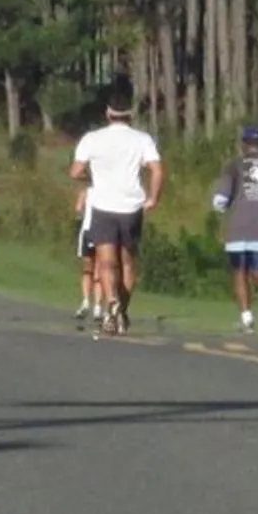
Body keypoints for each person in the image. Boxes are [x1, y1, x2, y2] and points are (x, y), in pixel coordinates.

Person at [70, 88, 164, 337]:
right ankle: (121, 310)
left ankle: (111, 301)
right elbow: (157, 170)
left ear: (108, 113)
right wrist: (153, 197)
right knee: (128, 261)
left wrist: (93, 176)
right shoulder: (142, 139)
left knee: (106, 261)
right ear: (130, 114)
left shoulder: (92, 138)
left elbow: (75, 171)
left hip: (103, 205)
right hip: (131, 205)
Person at [212, 125, 258, 332]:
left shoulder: (234, 166)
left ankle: (246, 317)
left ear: (244, 144)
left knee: (239, 271)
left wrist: (222, 208)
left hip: (239, 226)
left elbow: (220, 199)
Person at [74, 190, 99, 321]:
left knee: (89, 269)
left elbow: (78, 208)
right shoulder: (89, 190)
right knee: (97, 268)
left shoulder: (87, 190)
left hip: (89, 230)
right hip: (100, 230)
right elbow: (78, 207)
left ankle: (88, 302)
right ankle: (96, 306)